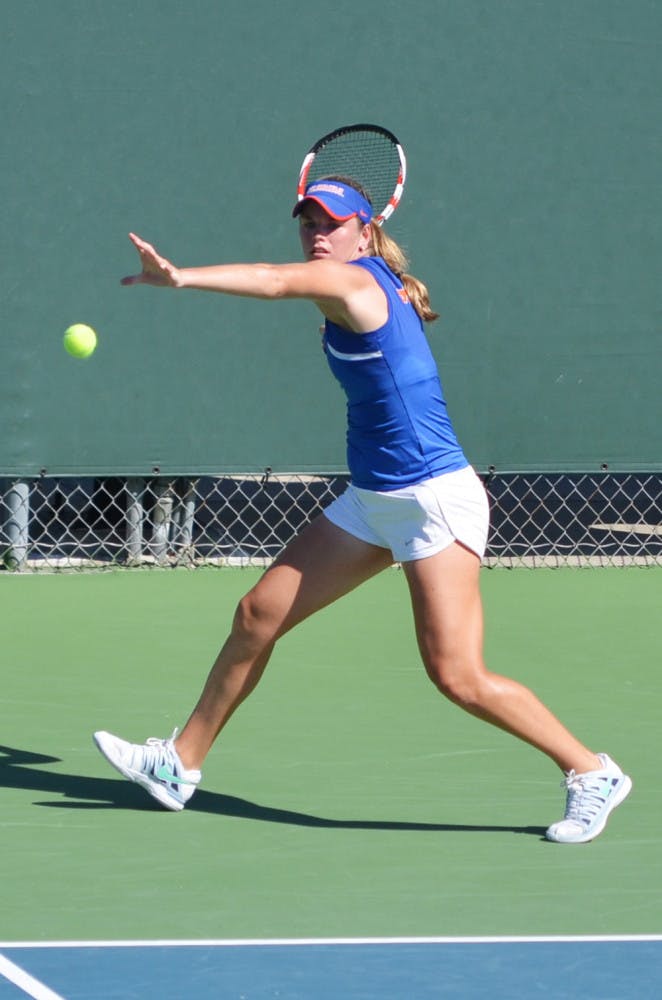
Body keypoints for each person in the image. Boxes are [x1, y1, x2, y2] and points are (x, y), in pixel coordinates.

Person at [94, 176, 631, 844]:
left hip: (432, 500)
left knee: (457, 676)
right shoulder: (367, 281)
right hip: (374, 497)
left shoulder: (355, 285)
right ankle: (180, 765)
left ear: (365, 231)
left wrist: (180, 277)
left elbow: (270, 279)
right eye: (308, 223)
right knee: (258, 613)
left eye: (332, 223)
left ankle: (591, 771)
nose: (317, 234)